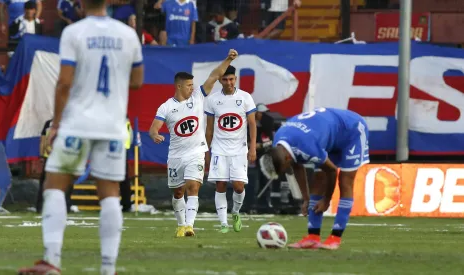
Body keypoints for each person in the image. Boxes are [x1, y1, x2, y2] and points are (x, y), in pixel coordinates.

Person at [18, 0, 144, 273]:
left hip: (78, 124)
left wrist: (56, 125)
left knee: (54, 185)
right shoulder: (127, 34)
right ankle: (108, 268)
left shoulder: (74, 32)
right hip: (112, 125)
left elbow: (64, 82)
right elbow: (137, 80)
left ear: (81, 3)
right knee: (109, 194)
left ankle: (52, 260)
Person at [148, 49, 238, 238]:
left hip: (196, 152)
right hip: (175, 156)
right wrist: (155, 134)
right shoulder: (166, 107)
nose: (192, 88)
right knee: (178, 192)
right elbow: (153, 128)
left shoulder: (198, 97)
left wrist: (228, 59)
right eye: (189, 85)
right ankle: (181, 225)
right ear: (179, 86)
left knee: (193, 187)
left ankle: (189, 226)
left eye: (193, 85)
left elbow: (215, 75)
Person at [259, 107, 369, 250]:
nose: (287, 171)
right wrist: (305, 198)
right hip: (328, 134)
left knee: (345, 181)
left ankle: (335, 238)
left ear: (286, 158)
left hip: (351, 130)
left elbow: (332, 171)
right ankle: (313, 237)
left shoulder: (307, 146)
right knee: (318, 179)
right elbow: (297, 165)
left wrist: (326, 200)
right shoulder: (279, 144)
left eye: (285, 168)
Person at [204, 65, 257, 233]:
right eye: (225, 79)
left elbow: (252, 124)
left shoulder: (245, 97)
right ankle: (223, 224)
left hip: (239, 150)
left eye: (231, 79)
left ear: (236, 79)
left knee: (239, 187)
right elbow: (209, 129)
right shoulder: (212, 100)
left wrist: (252, 147)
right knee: (220, 184)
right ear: (220, 80)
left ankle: (235, 212)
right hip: (219, 148)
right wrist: (206, 150)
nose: (229, 82)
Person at [36, 119, 74, 214]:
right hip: (55, 156)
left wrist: (41, 155)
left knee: (47, 182)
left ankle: (42, 207)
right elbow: (43, 139)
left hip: (58, 156)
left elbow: (42, 140)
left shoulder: (51, 123)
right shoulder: (51, 123)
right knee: (47, 181)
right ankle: (64, 206)